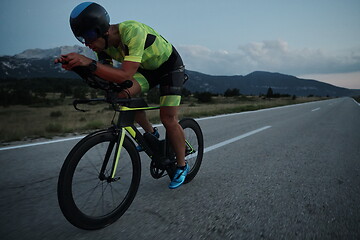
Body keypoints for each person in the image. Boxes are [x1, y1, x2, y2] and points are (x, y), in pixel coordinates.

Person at [55, 2, 188, 189]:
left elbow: (124, 74)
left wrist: (88, 63)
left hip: (169, 67)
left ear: (101, 30)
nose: (87, 44)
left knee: (168, 118)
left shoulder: (132, 31)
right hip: (146, 71)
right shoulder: (102, 46)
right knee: (122, 95)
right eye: (82, 39)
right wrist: (79, 67)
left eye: (89, 37)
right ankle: (151, 134)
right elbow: (108, 75)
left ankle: (182, 166)